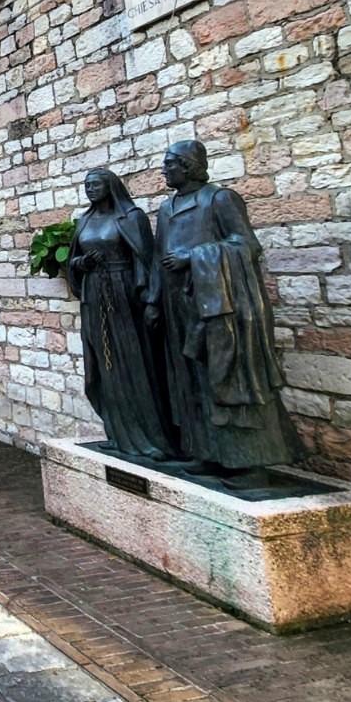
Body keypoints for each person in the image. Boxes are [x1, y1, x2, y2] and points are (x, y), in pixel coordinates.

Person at [143, 140, 297, 472]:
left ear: (187, 166)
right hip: (176, 303)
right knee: (189, 378)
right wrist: (154, 301)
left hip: (215, 303)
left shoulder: (220, 199)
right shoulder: (167, 209)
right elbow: (158, 258)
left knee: (225, 375)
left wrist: (192, 257)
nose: (163, 170)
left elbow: (246, 245)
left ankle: (248, 462)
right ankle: (208, 452)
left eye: (169, 164)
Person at [65, 169, 177, 461]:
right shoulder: (85, 220)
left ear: (110, 186)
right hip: (94, 298)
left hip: (124, 297)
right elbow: (72, 260)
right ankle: (118, 433)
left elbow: (145, 259)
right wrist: (82, 262)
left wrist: (148, 298)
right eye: (86, 185)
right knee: (103, 368)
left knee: (133, 364)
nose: (90, 189)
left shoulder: (131, 217)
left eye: (96, 184)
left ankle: (149, 437)